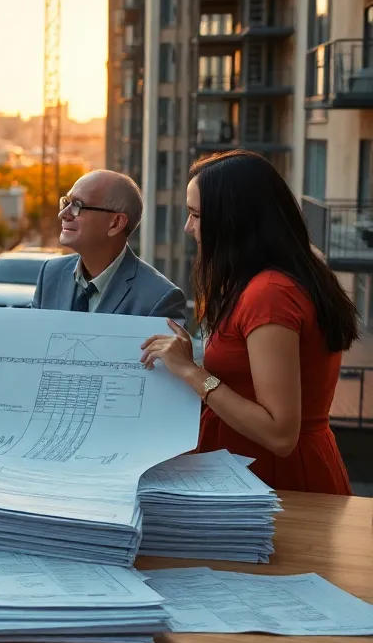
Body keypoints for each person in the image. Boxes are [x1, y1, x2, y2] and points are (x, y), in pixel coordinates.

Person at [140, 150, 358, 494]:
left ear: (233, 220)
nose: (188, 227)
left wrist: (191, 372)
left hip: (276, 482)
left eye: (196, 215)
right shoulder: (272, 280)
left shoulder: (270, 293)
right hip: (249, 474)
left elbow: (280, 433)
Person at [32, 169, 187, 322]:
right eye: (66, 203)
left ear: (116, 223)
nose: (63, 214)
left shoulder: (159, 299)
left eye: (77, 205)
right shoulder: (51, 274)